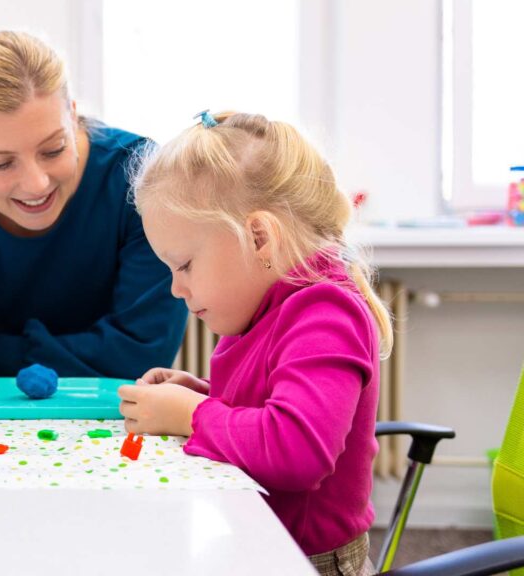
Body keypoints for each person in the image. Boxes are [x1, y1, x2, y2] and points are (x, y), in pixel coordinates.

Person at [120, 110, 392, 575]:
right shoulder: (267, 305)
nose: (175, 289)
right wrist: (203, 394)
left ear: (259, 237)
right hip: (259, 542)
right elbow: (270, 404)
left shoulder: (325, 313)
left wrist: (190, 415)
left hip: (309, 563)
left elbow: (296, 449)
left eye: (184, 265)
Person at [0, 31, 187, 420]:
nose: (37, 184)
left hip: (116, 421)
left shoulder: (141, 178)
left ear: (73, 115)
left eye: (54, 149)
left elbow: (141, 352)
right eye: (1, 163)